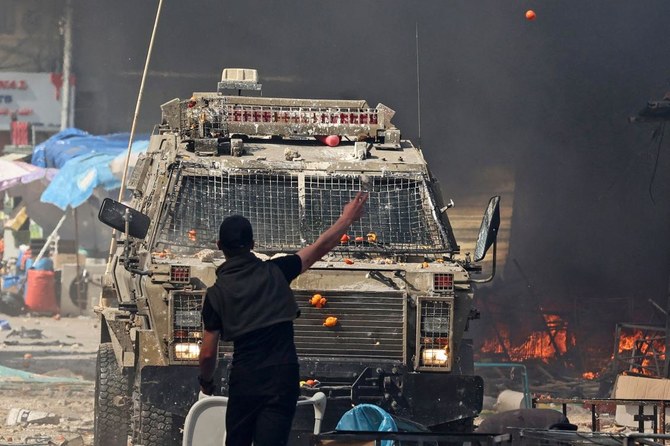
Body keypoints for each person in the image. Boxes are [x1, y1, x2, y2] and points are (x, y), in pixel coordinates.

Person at [198, 191, 369, 446]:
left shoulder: (215, 296)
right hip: (283, 378)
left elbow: (208, 355)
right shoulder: (278, 271)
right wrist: (346, 219)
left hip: (245, 379)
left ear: (219, 246)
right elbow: (319, 247)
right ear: (253, 244)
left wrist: (207, 383)